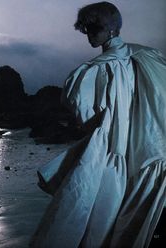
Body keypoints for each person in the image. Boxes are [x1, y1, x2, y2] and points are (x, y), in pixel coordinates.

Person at [29, 2, 166, 247]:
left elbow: (85, 115)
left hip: (113, 145)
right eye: (86, 30)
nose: (89, 36)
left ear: (109, 29)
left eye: (93, 29)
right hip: (148, 145)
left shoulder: (93, 71)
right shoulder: (149, 57)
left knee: (94, 216)